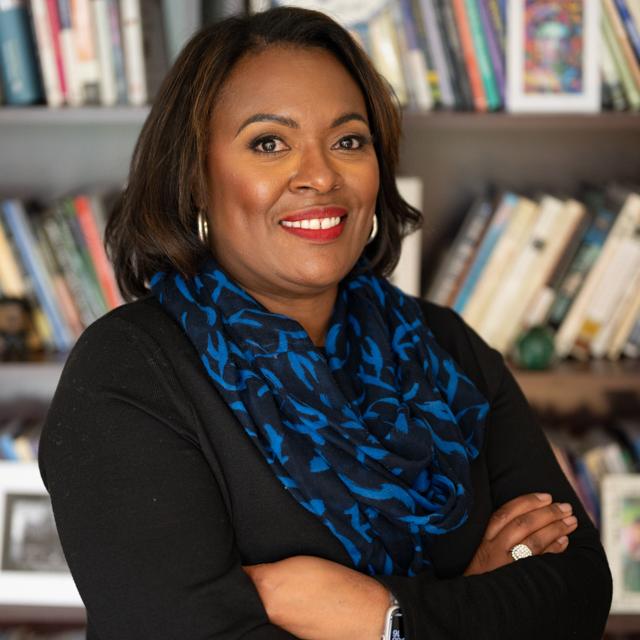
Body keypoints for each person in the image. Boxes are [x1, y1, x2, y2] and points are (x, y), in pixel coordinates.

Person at [38, 7, 612, 639]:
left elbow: (579, 591)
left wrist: (387, 619)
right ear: (196, 177)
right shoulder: (128, 373)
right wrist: (474, 598)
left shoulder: (444, 345)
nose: (320, 175)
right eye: (268, 143)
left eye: (348, 140)